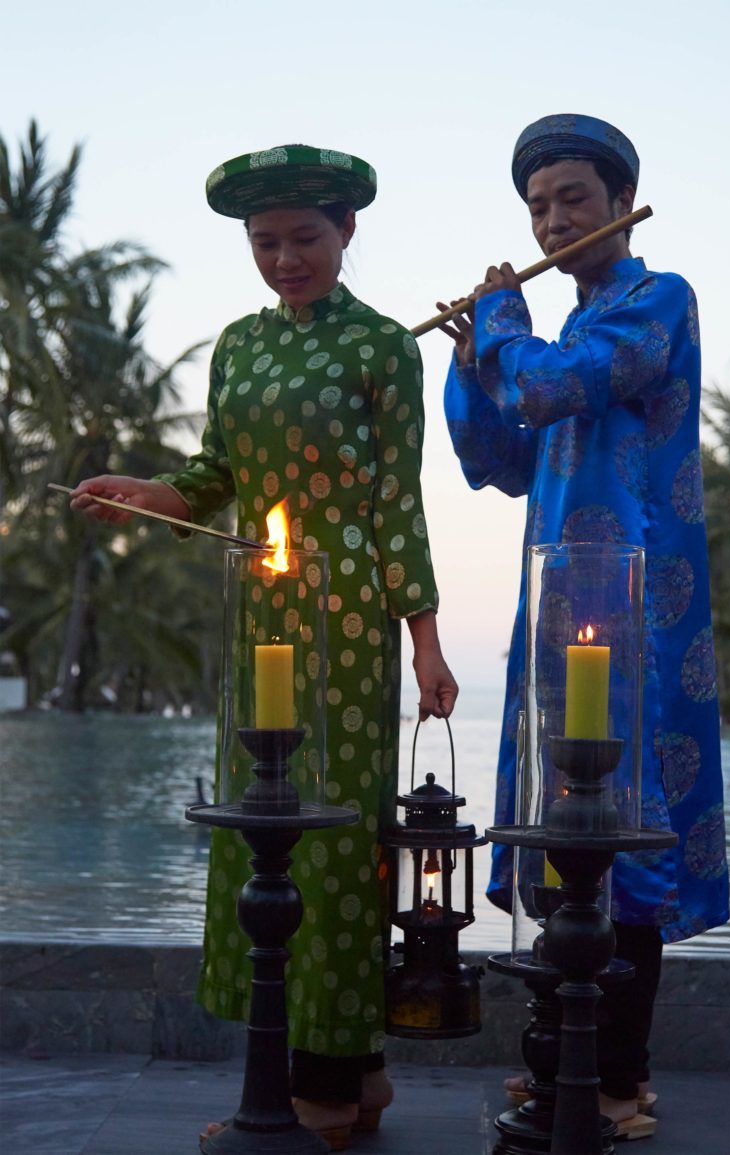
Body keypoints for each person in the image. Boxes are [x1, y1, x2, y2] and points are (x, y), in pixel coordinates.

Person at [71, 143, 458, 1150]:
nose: (285, 259)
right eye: (264, 242)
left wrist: (421, 640)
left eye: (304, 238)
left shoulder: (381, 348)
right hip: (256, 618)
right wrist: (143, 493)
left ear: (347, 232)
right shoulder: (237, 347)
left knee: (332, 843)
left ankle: (328, 1078)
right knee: (260, 829)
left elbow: (393, 502)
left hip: (344, 623)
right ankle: (344, 1075)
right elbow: (213, 476)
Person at [440, 114, 729, 1133]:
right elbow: (497, 457)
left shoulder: (656, 301)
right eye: (535, 206)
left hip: (636, 606)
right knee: (561, 827)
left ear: (616, 202)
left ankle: (615, 1080)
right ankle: (553, 1060)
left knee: (622, 833)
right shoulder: (549, 336)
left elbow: (556, 384)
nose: (551, 218)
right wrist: (473, 350)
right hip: (554, 599)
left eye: (569, 199)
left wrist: (507, 331)